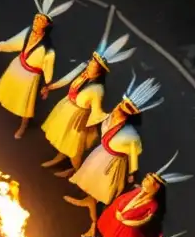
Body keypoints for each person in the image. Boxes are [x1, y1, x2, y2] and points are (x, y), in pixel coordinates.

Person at [65, 74, 163, 237]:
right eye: (121, 104)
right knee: (91, 185)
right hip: (100, 156)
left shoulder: (131, 136)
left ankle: (94, 226)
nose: (118, 107)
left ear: (129, 116)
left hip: (112, 166)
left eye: (123, 108)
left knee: (102, 194)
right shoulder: (111, 117)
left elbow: (133, 157)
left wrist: (132, 175)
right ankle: (88, 201)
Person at [0, 0, 74, 139]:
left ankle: (23, 126)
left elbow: (48, 70)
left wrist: (47, 86)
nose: (37, 21)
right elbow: (10, 44)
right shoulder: (27, 32)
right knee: (5, 88)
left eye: (41, 20)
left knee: (25, 105)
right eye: (36, 18)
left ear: (47, 26)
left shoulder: (49, 50)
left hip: (30, 78)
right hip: (16, 66)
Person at [39, 34, 134, 177]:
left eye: (92, 67)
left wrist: (108, 118)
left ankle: (78, 175)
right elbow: (67, 80)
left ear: (100, 72)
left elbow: (97, 113)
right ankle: (59, 159)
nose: (88, 68)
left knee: (74, 152)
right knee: (64, 140)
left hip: (78, 119)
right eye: (90, 64)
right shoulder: (83, 72)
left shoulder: (97, 90)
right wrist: (50, 87)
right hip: (66, 109)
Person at [92, 153, 192, 237]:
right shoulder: (138, 191)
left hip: (128, 231)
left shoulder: (152, 205)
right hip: (118, 221)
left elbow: (140, 220)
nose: (145, 181)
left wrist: (124, 218)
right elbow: (122, 201)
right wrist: (120, 214)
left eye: (149, 181)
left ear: (155, 187)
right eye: (146, 179)